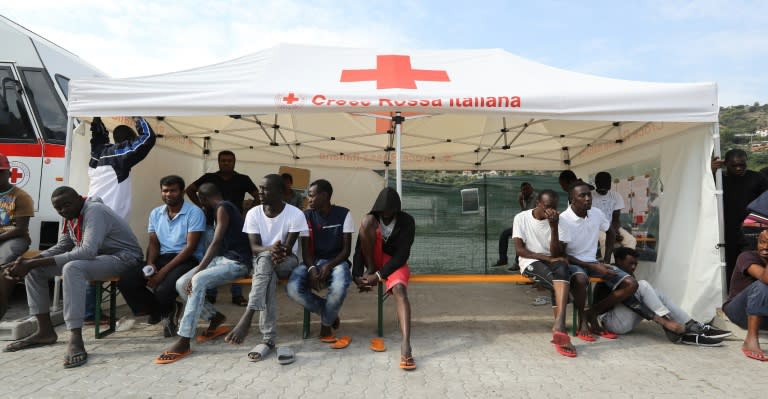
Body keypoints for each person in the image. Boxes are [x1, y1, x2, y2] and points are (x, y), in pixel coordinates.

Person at [1, 187, 142, 368]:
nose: (63, 211)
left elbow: (87, 251)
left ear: (78, 199)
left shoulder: (94, 211)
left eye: (66, 205)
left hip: (125, 258)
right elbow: (63, 246)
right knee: (35, 270)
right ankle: (44, 331)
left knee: (72, 268)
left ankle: (76, 338)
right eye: (58, 208)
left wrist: (33, 262)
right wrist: (28, 262)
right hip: (100, 258)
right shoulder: (70, 216)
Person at [155, 183, 251, 364]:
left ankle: (184, 340)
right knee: (181, 283)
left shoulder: (223, 208)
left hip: (237, 263)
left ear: (202, 199)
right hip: (222, 259)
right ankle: (215, 317)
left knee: (196, 280)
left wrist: (198, 270)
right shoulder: (220, 208)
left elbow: (215, 242)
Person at [225, 174, 307, 364]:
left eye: (266, 189)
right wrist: (271, 250)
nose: (260, 192)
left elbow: (289, 247)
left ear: (280, 192)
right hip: (264, 260)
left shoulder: (295, 213)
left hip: (288, 262)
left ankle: (249, 317)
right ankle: (268, 338)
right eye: (260, 188)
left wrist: (277, 251)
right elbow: (254, 247)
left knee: (265, 265)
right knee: (267, 273)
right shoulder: (253, 213)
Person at [85, 116, 156, 324]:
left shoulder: (97, 155)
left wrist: (97, 119)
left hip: (92, 218)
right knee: (134, 260)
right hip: (109, 223)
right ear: (128, 141)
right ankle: (140, 306)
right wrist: (137, 117)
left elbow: (97, 138)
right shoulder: (119, 156)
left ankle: (91, 312)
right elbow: (148, 138)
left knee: (93, 262)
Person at [119, 175, 205, 337]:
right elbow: (153, 243)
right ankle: (165, 310)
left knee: (163, 289)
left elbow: (190, 247)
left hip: (187, 259)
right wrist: (151, 264)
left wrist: (162, 273)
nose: (168, 194)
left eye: (173, 191)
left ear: (181, 192)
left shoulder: (194, 212)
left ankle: (165, 310)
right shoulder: (156, 213)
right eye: (165, 191)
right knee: (127, 280)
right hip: (162, 257)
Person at [595, 247, 729, 346]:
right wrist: (664, 321)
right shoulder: (612, 273)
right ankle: (674, 328)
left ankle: (690, 325)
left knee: (657, 293)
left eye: (636, 264)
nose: (634, 267)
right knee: (643, 286)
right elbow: (631, 303)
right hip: (610, 322)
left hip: (621, 319)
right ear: (618, 261)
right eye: (631, 263)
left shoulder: (627, 274)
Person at [560, 180, 640, 342]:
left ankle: (593, 312)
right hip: (573, 262)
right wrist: (593, 265)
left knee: (631, 284)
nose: (588, 198)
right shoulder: (564, 219)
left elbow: (610, 232)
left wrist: (605, 260)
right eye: (582, 195)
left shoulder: (596, 213)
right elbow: (562, 254)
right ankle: (584, 320)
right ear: (572, 199)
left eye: (589, 194)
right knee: (581, 279)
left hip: (593, 262)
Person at [353, 187, 417, 370]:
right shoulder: (372, 219)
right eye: (384, 211)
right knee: (365, 221)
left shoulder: (407, 221)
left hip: (393, 261)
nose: (387, 214)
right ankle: (371, 269)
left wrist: (380, 276)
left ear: (397, 209)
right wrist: (357, 275)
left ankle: (406, 345)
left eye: (391, 211)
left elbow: (403, 254)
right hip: (372, 258)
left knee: (400, 291)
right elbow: (359, 250)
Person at [186, 150, 259, 306]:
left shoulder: (242, 179)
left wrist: (248, 213)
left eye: (229, 160)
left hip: (235, 227)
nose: (226, 163)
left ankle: (237, 295)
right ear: (218, 162)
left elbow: (257, 195)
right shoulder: (209, 178)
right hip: (212, 223)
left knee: (235, 258)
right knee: (212, 255)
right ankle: (211, 292)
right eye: (223, 160)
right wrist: (201, 207)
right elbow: (190, 189)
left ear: (234, 162)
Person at [286, 179, 353, 345]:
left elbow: (346, 251)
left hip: (337, 262)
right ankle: (329, 313)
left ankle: (326, 324)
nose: (308, 199)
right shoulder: (305, 216)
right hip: (312, 261)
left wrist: (328, 265)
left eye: (311, 195)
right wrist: (312, 269)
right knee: (293, 289)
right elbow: (306, 250)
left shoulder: (344, 214)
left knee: (338, 288)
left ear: (324, 196)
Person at [512, 189, 576, 357]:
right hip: (530, 261)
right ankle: (560, 329)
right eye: (548, 207)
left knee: (561, 268)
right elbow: (520, 250)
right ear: (538, 204)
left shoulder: (559, 221)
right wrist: (546, 259)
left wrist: (553, 227)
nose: (551, 211)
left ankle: (559, 327)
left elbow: (557, 254)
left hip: (553, 259)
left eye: (554, 207)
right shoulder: (521, 218)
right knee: (561, 286)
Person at [712, 149, 768, 289]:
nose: (739, 168)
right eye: (734, 165)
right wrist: (711, 171)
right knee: (730, 263)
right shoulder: (719, 179)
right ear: (725, 164)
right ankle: (732, 293)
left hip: (752, 229)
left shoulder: (757, 178)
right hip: (727, 228)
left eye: (742, 165)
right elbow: (704, 187)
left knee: (754, 260)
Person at [723, 229, 768, 361]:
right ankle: (751, 340)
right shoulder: (747, 257)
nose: (765, 247)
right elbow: (765, 278)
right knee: (763, 285)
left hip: (764, 317)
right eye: (762, 242)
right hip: (739, 312)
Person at [0, 153, 33, 320]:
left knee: (4, 260)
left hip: (14, 237)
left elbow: (21, 228)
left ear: (10, 173)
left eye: (1, 172)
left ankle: (2, 304)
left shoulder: (21, 196)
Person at [592, 171, 636, 262]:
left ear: (610, 184)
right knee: (605, 239)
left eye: (606, 188)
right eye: (601, 188)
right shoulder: (590, 196)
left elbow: (616, 219)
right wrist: (611, 235)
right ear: (596, 183)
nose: (603, 190)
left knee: (631, 240)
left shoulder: (616, 196)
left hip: (611, 226)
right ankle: (610, 266)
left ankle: (625, 263)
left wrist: (614, 232)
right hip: (595, 228)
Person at [493, 182, 536, 270]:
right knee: (504, 234)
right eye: (522, 190)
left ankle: (517, 263)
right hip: (524, 225)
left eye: (526, 190)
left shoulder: (537, 199)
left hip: (533, 226)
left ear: (531, 189)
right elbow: (524, 214)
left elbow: (532, 214)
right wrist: (521, 202)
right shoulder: (524, 198)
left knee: (520, 238)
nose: (524, 192)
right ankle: (503, 259)